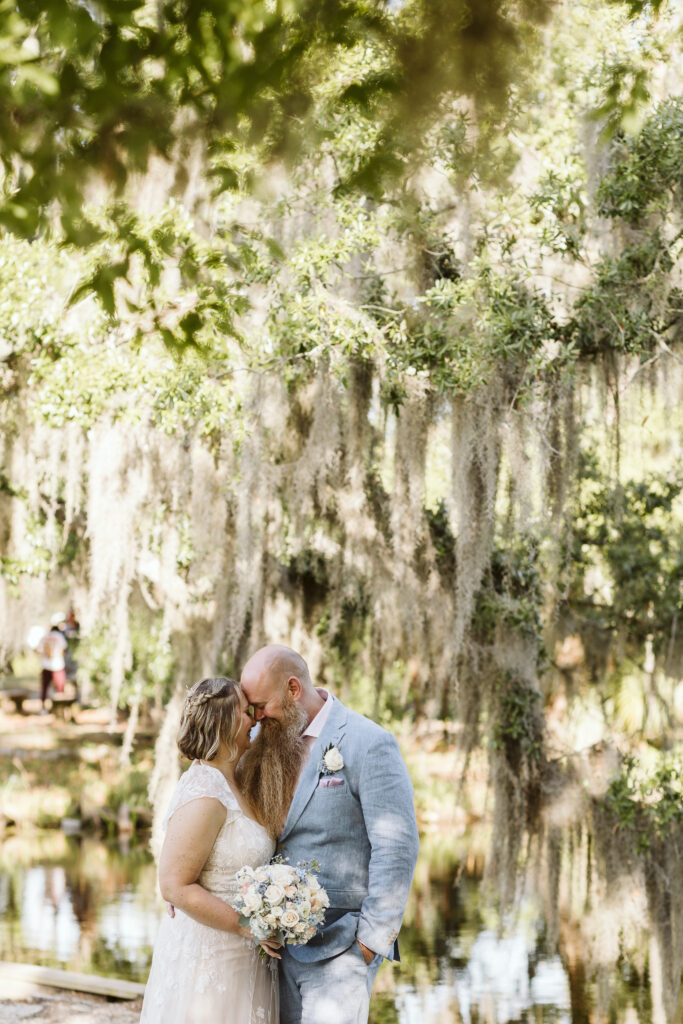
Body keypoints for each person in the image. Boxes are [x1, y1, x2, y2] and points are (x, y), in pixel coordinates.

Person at [239, 645, 419, 1024]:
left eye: (259, 705)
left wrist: (371, 941)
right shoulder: (264, 742)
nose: (254, 717)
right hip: (273, 948)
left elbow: (396, 846)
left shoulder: (368, 743)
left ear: (292, 689)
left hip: (342, 947)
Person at [139, 677, 280, 1024]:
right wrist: (250, 927)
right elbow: (174, 885)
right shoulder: (205, 790)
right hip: (212, 954)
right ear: (225, 722)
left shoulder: (238, 779)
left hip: (246, 954)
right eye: (246, 712)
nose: (254, 719)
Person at [37, 618, 67, 711]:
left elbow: (39, 650)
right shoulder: (60, 636)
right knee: (59, 688)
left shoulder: (44, 636)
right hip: (57, 665)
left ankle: (43, 708)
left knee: (44, 688)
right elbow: (63, 650)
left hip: (46, 665)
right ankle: (59, 708)